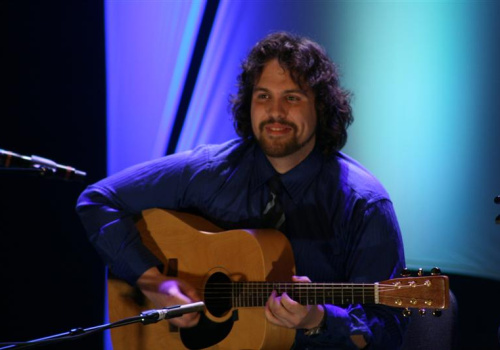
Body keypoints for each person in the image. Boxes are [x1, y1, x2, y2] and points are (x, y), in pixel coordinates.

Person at [77, 32, 407, 349]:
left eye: (292, 97)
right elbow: (98, 200)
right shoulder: (209, 170)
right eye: (263, 96)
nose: (275, 112)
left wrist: (318, 319)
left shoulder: (365, 205)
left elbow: (388, 333)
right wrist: (156, 282)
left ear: (320, 107)